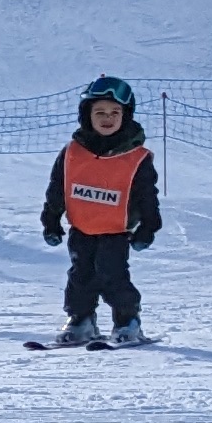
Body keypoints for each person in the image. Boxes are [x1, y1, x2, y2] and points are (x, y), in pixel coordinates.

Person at [40, 77, 161, 347]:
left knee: (113, 275)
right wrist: (51, 221)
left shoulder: (136, 157)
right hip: (81, 228)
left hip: (115, 231)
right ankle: (81, 320)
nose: (108, 118)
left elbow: (147, 196)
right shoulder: (72, 153)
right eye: (100, 113)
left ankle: (127, 322)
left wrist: (148, 227)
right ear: (87, 115)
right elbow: (58, 188)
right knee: (80, 276)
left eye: (115, 112)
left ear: (125, 115)